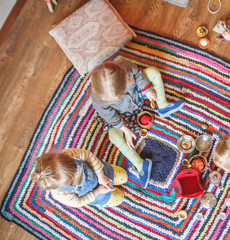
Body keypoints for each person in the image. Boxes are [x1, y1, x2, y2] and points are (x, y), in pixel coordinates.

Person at [91, 60, 184, 189]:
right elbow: (110, 115)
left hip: (138, 96)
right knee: (114, 135)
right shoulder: (98, 99)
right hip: (121, 116)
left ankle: (162, 105)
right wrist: (125, 130)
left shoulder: (126, 66)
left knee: (152, 72)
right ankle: (140, 165)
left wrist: (147, 90)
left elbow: (139, 75)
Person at [31, 148, 128, 207]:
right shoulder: (60, 194)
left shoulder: (67, 154)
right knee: (119, 198)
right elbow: (78, 202)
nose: (76, 170)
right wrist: (98, 191)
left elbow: (88, 156)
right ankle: (104, 202)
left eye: (73, 163)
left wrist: (101, 175)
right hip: (95, 193)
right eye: (73, 172)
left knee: (124, 176)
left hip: (99, 171)